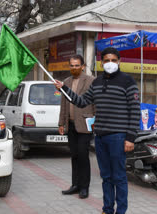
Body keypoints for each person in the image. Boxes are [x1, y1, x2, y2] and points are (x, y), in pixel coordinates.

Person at [54, 47, 140, 214]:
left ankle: (121, 211)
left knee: (119, 177)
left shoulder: (128, 81)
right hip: (100, 137)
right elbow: (81, 101)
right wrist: (64, 88)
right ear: (101, 62)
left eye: (113, 60)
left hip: (118, 137)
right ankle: (107, 209)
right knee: (106, 177)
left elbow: (135, 110)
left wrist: (130, 138)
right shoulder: (97, 82)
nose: (110, 63)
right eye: (106, 60)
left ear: (119, 61)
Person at [59, 55, 95, 199]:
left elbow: (95, 103)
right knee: (74, 155)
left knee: (83, 155)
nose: (74, 68)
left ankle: (84, 187)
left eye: (77, 65)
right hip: (71, 125)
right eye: (72, 65)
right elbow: (63, 105)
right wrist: (61, 123)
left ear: (83, 66)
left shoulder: (91, 81)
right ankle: (75, 185)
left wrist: (96, 122)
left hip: (86, 125)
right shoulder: (66, 82)